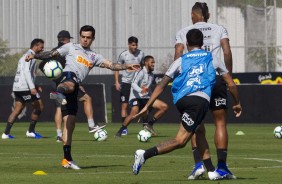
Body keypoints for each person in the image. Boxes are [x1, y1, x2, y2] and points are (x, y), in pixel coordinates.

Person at [132, 29, 242, 180]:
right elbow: (231, 84)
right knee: (180, 141)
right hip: (198, 101)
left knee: (199, 131)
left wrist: (146, 106)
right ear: (202, 43)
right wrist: (237, 103)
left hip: (182, 100)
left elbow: (162, 84)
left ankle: (210, 170)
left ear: (187, 44)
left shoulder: (180, 60)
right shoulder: (212, 58)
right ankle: (144, 154)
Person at [25, 25, 140, 170]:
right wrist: (34, 55)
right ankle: (58, 92)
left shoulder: (95, 56)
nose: (85, 40)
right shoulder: (70, 47)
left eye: (88, 37)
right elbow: (51, 54)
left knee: (70, 122)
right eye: (83, 37)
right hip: (68, 76)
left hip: (75, 85)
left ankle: (67, 159)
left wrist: (126, 66)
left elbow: (111, 65)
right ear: (80, 36)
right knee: (70, 84)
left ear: (93, 38)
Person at [174, 2, 236, 179]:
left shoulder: (184, 31)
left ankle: (199, 165)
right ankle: (222, 167)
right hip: (215, 78)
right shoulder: (219, 29)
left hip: (193, 81)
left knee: (195, 125)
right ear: (206, 15)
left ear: (193, 15)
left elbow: (178, 54)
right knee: (220, 123)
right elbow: (227, 51)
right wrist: (227, 75)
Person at [38, 30, 105, 142]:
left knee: (60, 107)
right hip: (68, 81)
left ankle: (59, 134)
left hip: (59, 83)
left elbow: (41, 64)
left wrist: (52, 76)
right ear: (66, 39)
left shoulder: (56, 50)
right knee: (86, 99)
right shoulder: (67, 49)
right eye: (69, 39)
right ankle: (91, 124)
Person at [2, 39, 45, 139]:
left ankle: (6, 133)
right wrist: (32, 87)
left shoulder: (26, 55)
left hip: (17, 87)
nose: (42, 49)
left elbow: (26, 73)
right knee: (40, 106)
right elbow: (26, 71)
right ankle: (30, 131)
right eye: (41, 47)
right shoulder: (29, 55)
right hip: (25, 87)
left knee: (17, 109)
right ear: (35, 46)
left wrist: (35, 84)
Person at [115, 55, 168, 137]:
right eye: (152, 62)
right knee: (133, 113)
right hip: (136, 98)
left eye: (154, 62)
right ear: (146, 63)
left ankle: (149, 125)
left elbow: (149, 89)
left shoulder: (151, 75)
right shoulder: (140, 72)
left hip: (146, 98)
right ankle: (121, 130)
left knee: (164, 107)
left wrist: (151, 98)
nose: (153, 64)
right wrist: (141, 90)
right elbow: (133, 84)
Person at [114, 36, 145, 135]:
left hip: (137, 84)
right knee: (124, 105)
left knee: (143, 104)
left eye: (136, 45)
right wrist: (117, 82)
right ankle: (124, 128)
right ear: (129, 45)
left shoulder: (141, 54)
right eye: (133, 45)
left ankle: (145, 126)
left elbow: (143, 68)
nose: (135, 47)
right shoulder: (124, 55)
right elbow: (117, 68)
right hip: (126, 83)